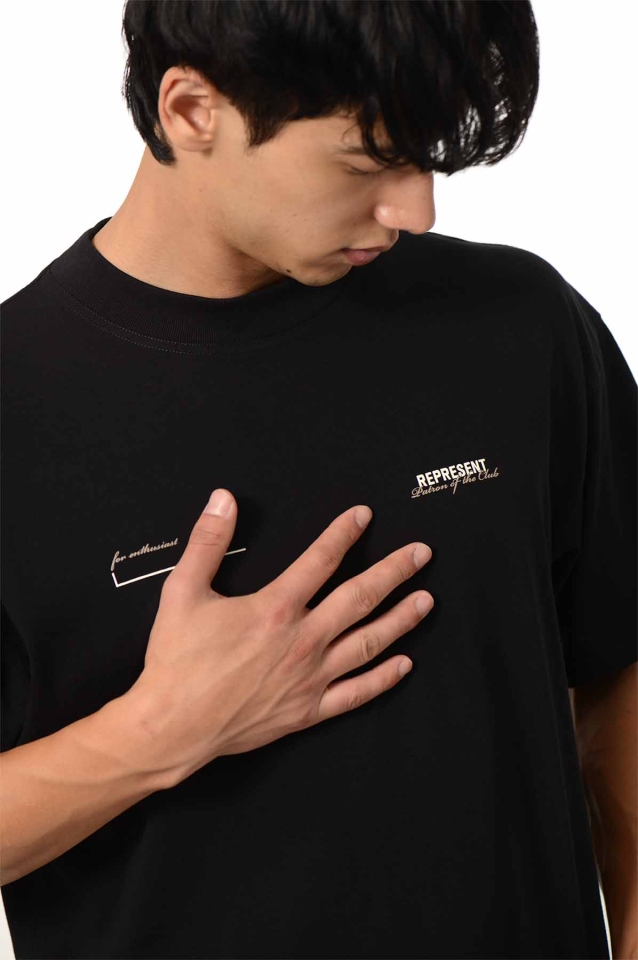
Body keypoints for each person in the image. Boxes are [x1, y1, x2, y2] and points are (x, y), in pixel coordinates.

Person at [1, 2, 636, 958]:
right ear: (192, 110)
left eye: (426, 156)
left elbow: (620, 665)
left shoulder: (522, 325)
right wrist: (156, 733)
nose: (416, 211)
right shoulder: (16, 403)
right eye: (367, 160)